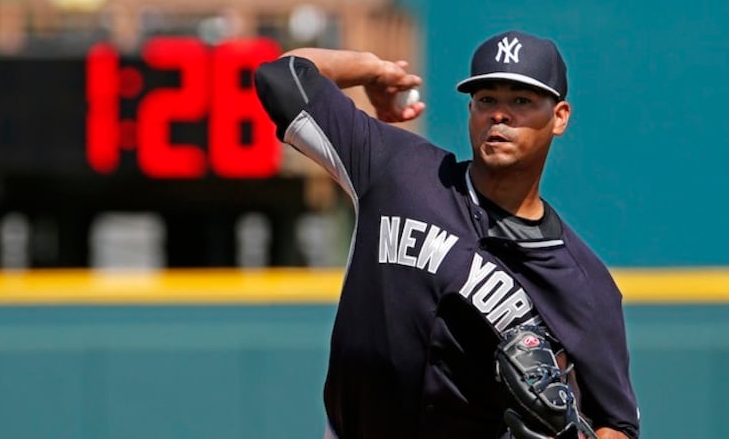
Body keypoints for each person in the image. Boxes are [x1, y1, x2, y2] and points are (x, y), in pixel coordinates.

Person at [254, 30, 640, 439]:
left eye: (522, 101)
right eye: (487, 99)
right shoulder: (399, 172)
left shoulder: (583, 284)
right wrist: (369, 67)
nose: (500, 115)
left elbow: (617, 424)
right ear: (471, 109)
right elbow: (283, 76)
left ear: (559, 116)